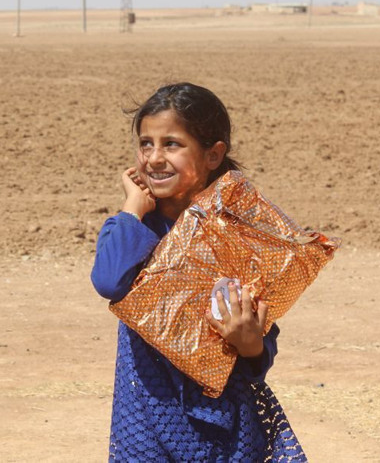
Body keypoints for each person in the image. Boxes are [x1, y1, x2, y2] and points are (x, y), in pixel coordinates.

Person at [91, 83, 306, 461]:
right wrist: (132, 209)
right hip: (147, 417)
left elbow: (261, 349)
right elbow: (110, 281)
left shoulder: (239, 236)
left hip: (230, 417)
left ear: (213, 154)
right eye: (145, 143)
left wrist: (249, 341)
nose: (154, 158)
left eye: (171, 144)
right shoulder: (131, 228)